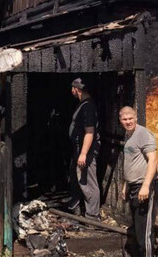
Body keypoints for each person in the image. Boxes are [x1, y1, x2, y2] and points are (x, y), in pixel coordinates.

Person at [120, 106, 158, 257]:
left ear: (136, 118)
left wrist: (146, 186)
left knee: (145, 231)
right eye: (125, 119)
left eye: (130, 119)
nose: (128, 122)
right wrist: (125, 185)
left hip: (145, 187)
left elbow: (153, 159)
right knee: (137, 228)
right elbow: (130, 162)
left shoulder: (143, 134)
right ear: (120, 120)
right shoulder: (128, 135)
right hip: (133, 186)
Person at [66, 78, 101, 220]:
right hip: (79, 149)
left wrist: (84, 153)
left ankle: (93, 216)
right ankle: (76, 208)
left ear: (76, 89)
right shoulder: (84, 105)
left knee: (88, 182)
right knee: (77, 178)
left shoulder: (88, 107)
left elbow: (90, 131)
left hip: (86, 151)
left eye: (72, 88)